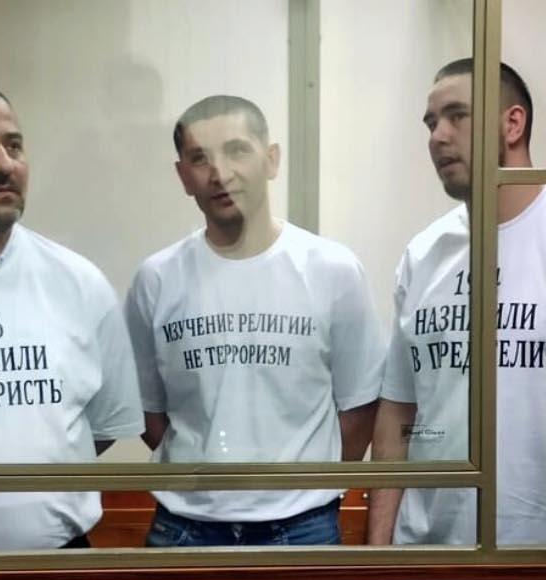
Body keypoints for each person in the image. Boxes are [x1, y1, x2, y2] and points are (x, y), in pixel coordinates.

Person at [126, 95, 383, 546]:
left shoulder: (332, 271)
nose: (220, 173)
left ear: (272, 159)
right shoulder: (157, 279)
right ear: (183, 177)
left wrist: (296, 492)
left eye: (237, 150)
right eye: (200, 158)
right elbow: (148, 412)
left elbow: (360, 410)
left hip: (303, 528)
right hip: (185, 527)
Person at [0, 80, 145, 550]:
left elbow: (99, 431)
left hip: (60, 570)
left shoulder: (80, 284)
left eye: (13, 145)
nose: (4, 165)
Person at [373, 60, 546, 545]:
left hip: (531, 551)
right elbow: (399, 413)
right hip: (428, 552)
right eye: (431, 123)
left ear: (513, 124)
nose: (437, 137)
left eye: (457, 116)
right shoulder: (424, 254)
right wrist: (380, 551)